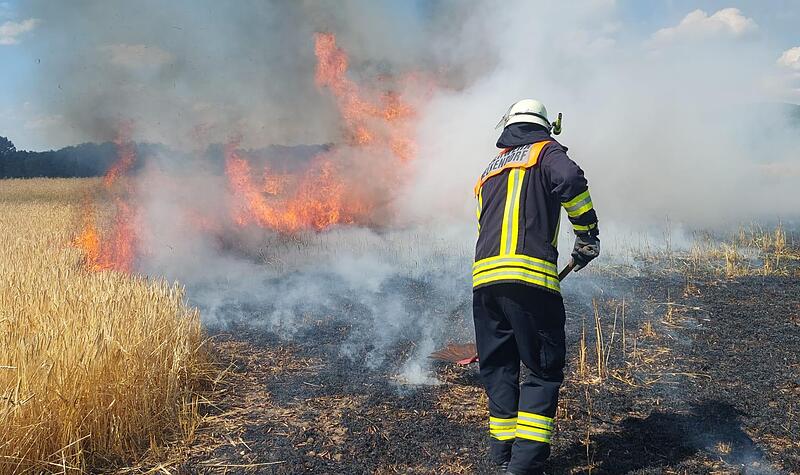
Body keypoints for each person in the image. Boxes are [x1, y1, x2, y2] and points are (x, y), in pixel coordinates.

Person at [472, 99, 600, 474]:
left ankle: (502, 456)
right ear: (546, 126)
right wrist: (587, 232)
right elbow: (572, 181)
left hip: (485, 283)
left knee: (498, 367)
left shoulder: (489, 170)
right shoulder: (546, 152)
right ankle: (524, 467)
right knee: (542, 370)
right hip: (531, 281)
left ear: (509, 127)